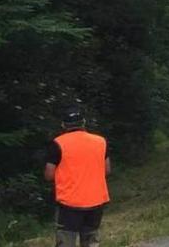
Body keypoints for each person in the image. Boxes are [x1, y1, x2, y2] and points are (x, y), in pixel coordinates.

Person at [44, 106, 110, 247]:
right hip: (96, 200)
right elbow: (107, 170)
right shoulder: (100, 141)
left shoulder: (58, 143)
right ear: (84, 122)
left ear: (63, 125)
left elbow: (49, 175)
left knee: (66, 241)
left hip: (69, 203)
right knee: (91, 241)